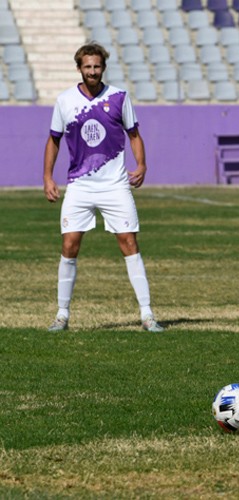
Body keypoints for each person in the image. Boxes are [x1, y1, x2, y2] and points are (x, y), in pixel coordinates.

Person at [43, 43, 164, 333]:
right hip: (79, 185)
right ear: (79, 69)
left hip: (115, 185)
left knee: (129, 244)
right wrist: (48, 177)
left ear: (103, 68)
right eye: (88, 67)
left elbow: (134, 134)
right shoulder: (65, 101)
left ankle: (147, 315)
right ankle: (61, 315)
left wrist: (142, 164)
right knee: (69, 245)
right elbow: (54, 140)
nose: (93, 71)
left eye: (97, 66)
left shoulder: (119, 97)